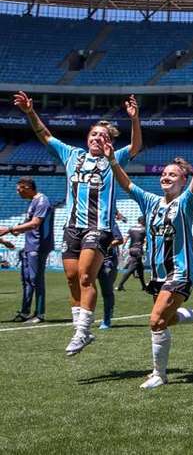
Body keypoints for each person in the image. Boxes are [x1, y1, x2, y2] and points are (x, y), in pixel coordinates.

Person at [10, 91, 142, 355]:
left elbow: (136, 146)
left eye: (103, 136)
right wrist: (30, 113)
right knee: (71, 277)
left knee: (84, 276)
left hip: (99, 228)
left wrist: (135, 121)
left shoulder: (113, 161)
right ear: (87, 138)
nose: (97, 138)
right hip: (72, 228)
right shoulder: (72, 155)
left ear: (109, 143)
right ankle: (78, 326)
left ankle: (83, 331)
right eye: (93, 134)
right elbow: (45, 135)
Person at [107, 131, 193, 389]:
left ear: (183, 181)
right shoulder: (150, 202)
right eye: (163, 174)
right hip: (158, 276)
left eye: (172, 174)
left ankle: (159, 374)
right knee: (167, 320)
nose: (165, 177)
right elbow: (126, 185)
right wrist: (113, 160)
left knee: (156, 320)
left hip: (179, 273)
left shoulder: (187, 202)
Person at [1, 177, 55, 324]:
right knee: (27, 280)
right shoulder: (33, 202)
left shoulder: (42, 201)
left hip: (39, 245)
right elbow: (28, 222)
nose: (18, 193)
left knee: (36, 279)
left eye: (20, 190)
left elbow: (35, 223)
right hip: (29, 245)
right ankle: (25, 312)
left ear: (27, 187)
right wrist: (16, 230)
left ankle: (39, 314)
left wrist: (10, 229)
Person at [97, 223, 124, 330]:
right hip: (93, 260)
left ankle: (107, 319)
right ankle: (86, 316)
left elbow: (120, 240)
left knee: (106, 291)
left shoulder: (111, 224)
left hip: (107, 261)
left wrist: (106, 245)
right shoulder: (87, 222)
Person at [117, 216, 147, 292]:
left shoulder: (131, 228)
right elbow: (146, 240)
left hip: (131, 249)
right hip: (138, 250)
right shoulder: (144, 229)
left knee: (140, 269)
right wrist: (144, 246)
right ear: (143, 221)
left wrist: (123, 247)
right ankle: (120, 285)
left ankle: (144, 286)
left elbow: (126, 238)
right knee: (131, 268)